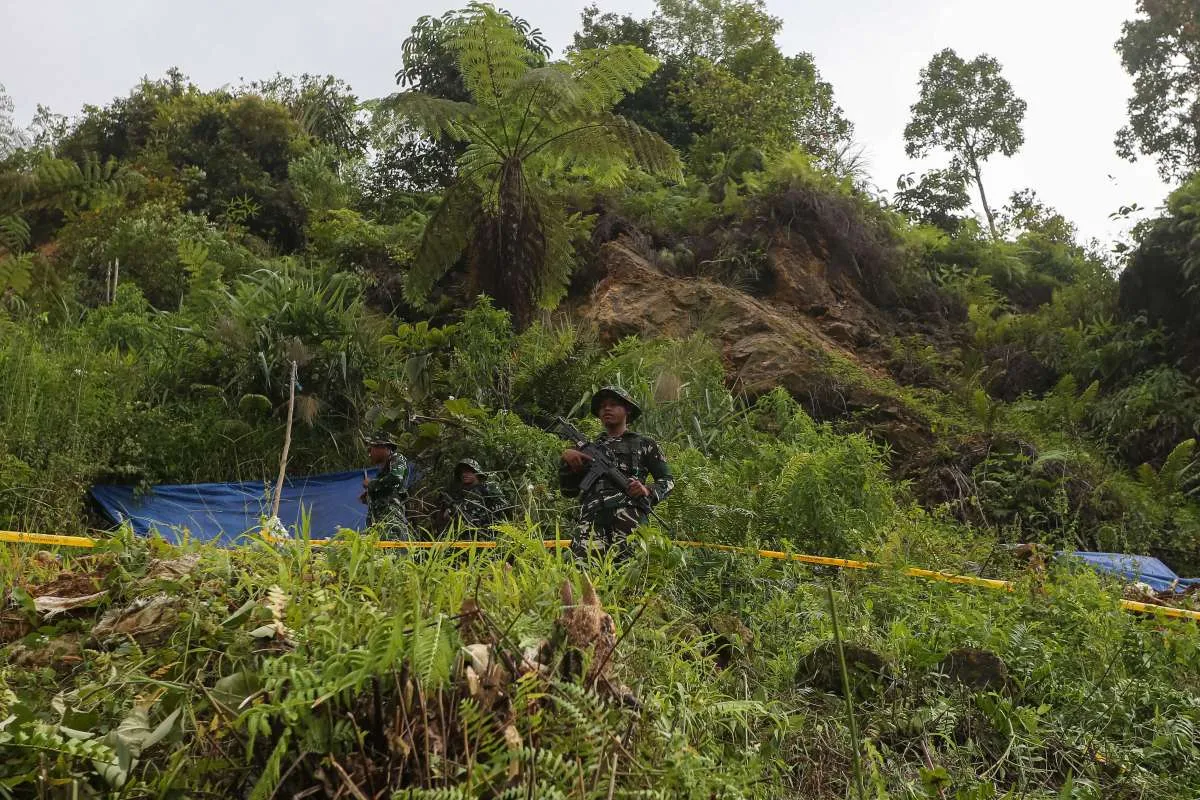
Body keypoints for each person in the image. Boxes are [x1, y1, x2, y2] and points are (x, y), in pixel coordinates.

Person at [558, 386, 674, 555]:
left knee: (631, 569)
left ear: (627, 409)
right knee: (583, 569)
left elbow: (668, 481)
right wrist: (567, 462)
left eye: (613, 404)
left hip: (630, 520)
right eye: (602, 406)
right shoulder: (587, 450)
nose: (606, 408)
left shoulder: (644, 444)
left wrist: (647, 490)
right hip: (591, 522)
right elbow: (568, 491)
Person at [359, 431, 413, 540]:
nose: (369, 454)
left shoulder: (398, 458)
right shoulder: (383, 474)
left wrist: (372, 484)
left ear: (383, 447)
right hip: (378, 524)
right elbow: (388, 488)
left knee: (393, 548)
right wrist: (371, 495)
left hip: (391, 522)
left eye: (371, 449)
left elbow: (396, 478)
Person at [437, 458, 510, 535]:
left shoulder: (488, 487)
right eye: (461, 472)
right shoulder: (459, 494)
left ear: (476, 472)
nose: (464, 474)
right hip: (465, 534)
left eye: (467, 471)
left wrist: (486, 517)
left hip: (489, 532)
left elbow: (505, 507)